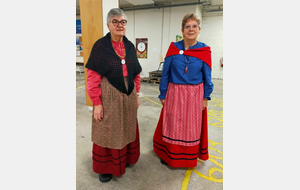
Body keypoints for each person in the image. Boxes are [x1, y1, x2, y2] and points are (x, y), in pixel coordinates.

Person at [85, 8, 142, 183]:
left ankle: (125, 159)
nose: (119, 25)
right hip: (108, 91)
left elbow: (136, 72)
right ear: (108, 25)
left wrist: (136, 93)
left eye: (123, 22)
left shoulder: (130, 46)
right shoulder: (100, 46)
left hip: (129, 91)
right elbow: (93, 77)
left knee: (127, 125)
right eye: (115, 22)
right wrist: (97, 102)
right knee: (107, 128)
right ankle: (106, 167)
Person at [153, 13, 213, 168]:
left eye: (194, 26)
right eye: (187, 26)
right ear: (182, 30)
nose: (191, 29)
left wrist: (206, 97)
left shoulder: (205, 50)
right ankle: (169, 155)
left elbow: (207, 76)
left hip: (195, 95)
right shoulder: (173, 48)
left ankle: (188, 158)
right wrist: (163, 93)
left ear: (199, 29)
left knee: (190, 128)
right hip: (174, 92)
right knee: (172, 124)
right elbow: (165, 73)